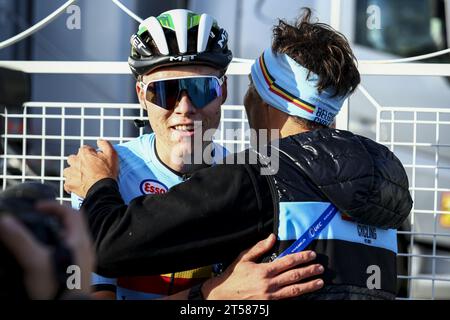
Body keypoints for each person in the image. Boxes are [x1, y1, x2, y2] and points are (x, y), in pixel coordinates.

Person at [64, 9, 413, 299]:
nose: (185, 108)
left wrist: (213, 297)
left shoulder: (251, 176)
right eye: (166, 92)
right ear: (140, 94)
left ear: (228, 93)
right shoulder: (107, 172)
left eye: (201, 90)